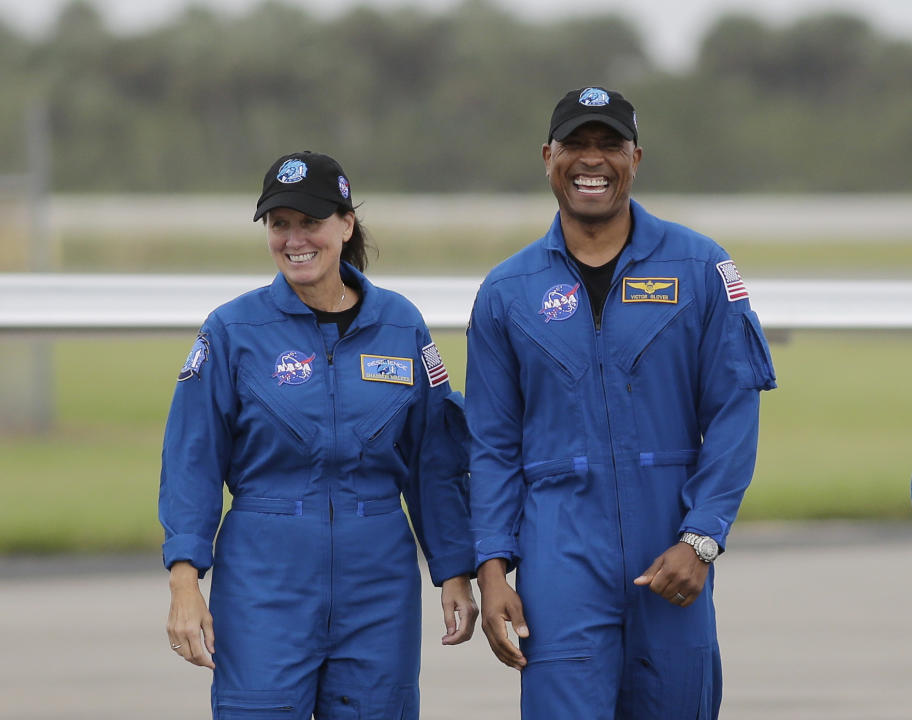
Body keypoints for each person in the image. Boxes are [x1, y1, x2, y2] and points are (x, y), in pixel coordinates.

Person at [466, 87, 776, 719]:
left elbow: (733, 414)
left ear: (637, 158)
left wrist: (702, 539)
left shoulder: (701, 268)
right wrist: (492, 569)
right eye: (576, 145)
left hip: (673, 555)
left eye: (609, 145)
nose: (592, 160)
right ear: (547, 156)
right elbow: (491, 446)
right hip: (560, 564)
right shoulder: (507, 292)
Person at [159, 151, 478, 719]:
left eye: (310, 222)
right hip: (265, 582)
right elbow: (193, 459)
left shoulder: (401, 325)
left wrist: (453, 567)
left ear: (346, 224)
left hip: (379, 583)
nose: (294, 239)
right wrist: (186, 581)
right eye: (280, 224)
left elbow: (434, 459)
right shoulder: (232, 331)